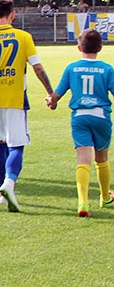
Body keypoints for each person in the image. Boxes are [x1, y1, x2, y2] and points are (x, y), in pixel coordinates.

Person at [0, 0, 54, 212]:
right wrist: (50, 93)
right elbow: (38, 68)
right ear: (12, 15)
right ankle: (8, 184)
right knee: (16, 146)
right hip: (15, 98)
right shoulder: (24, 37)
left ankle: (1, 194)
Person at [46, 29, 114, 217]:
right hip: (101, 117)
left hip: (80, 117)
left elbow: (56, 95)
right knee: (102, 158)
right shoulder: (107, 69)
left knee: (83, 159)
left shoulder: (72, 68)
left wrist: (51, 101)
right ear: (100, 47)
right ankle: (104, 197)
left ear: (78, 47)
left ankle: (83, 202)